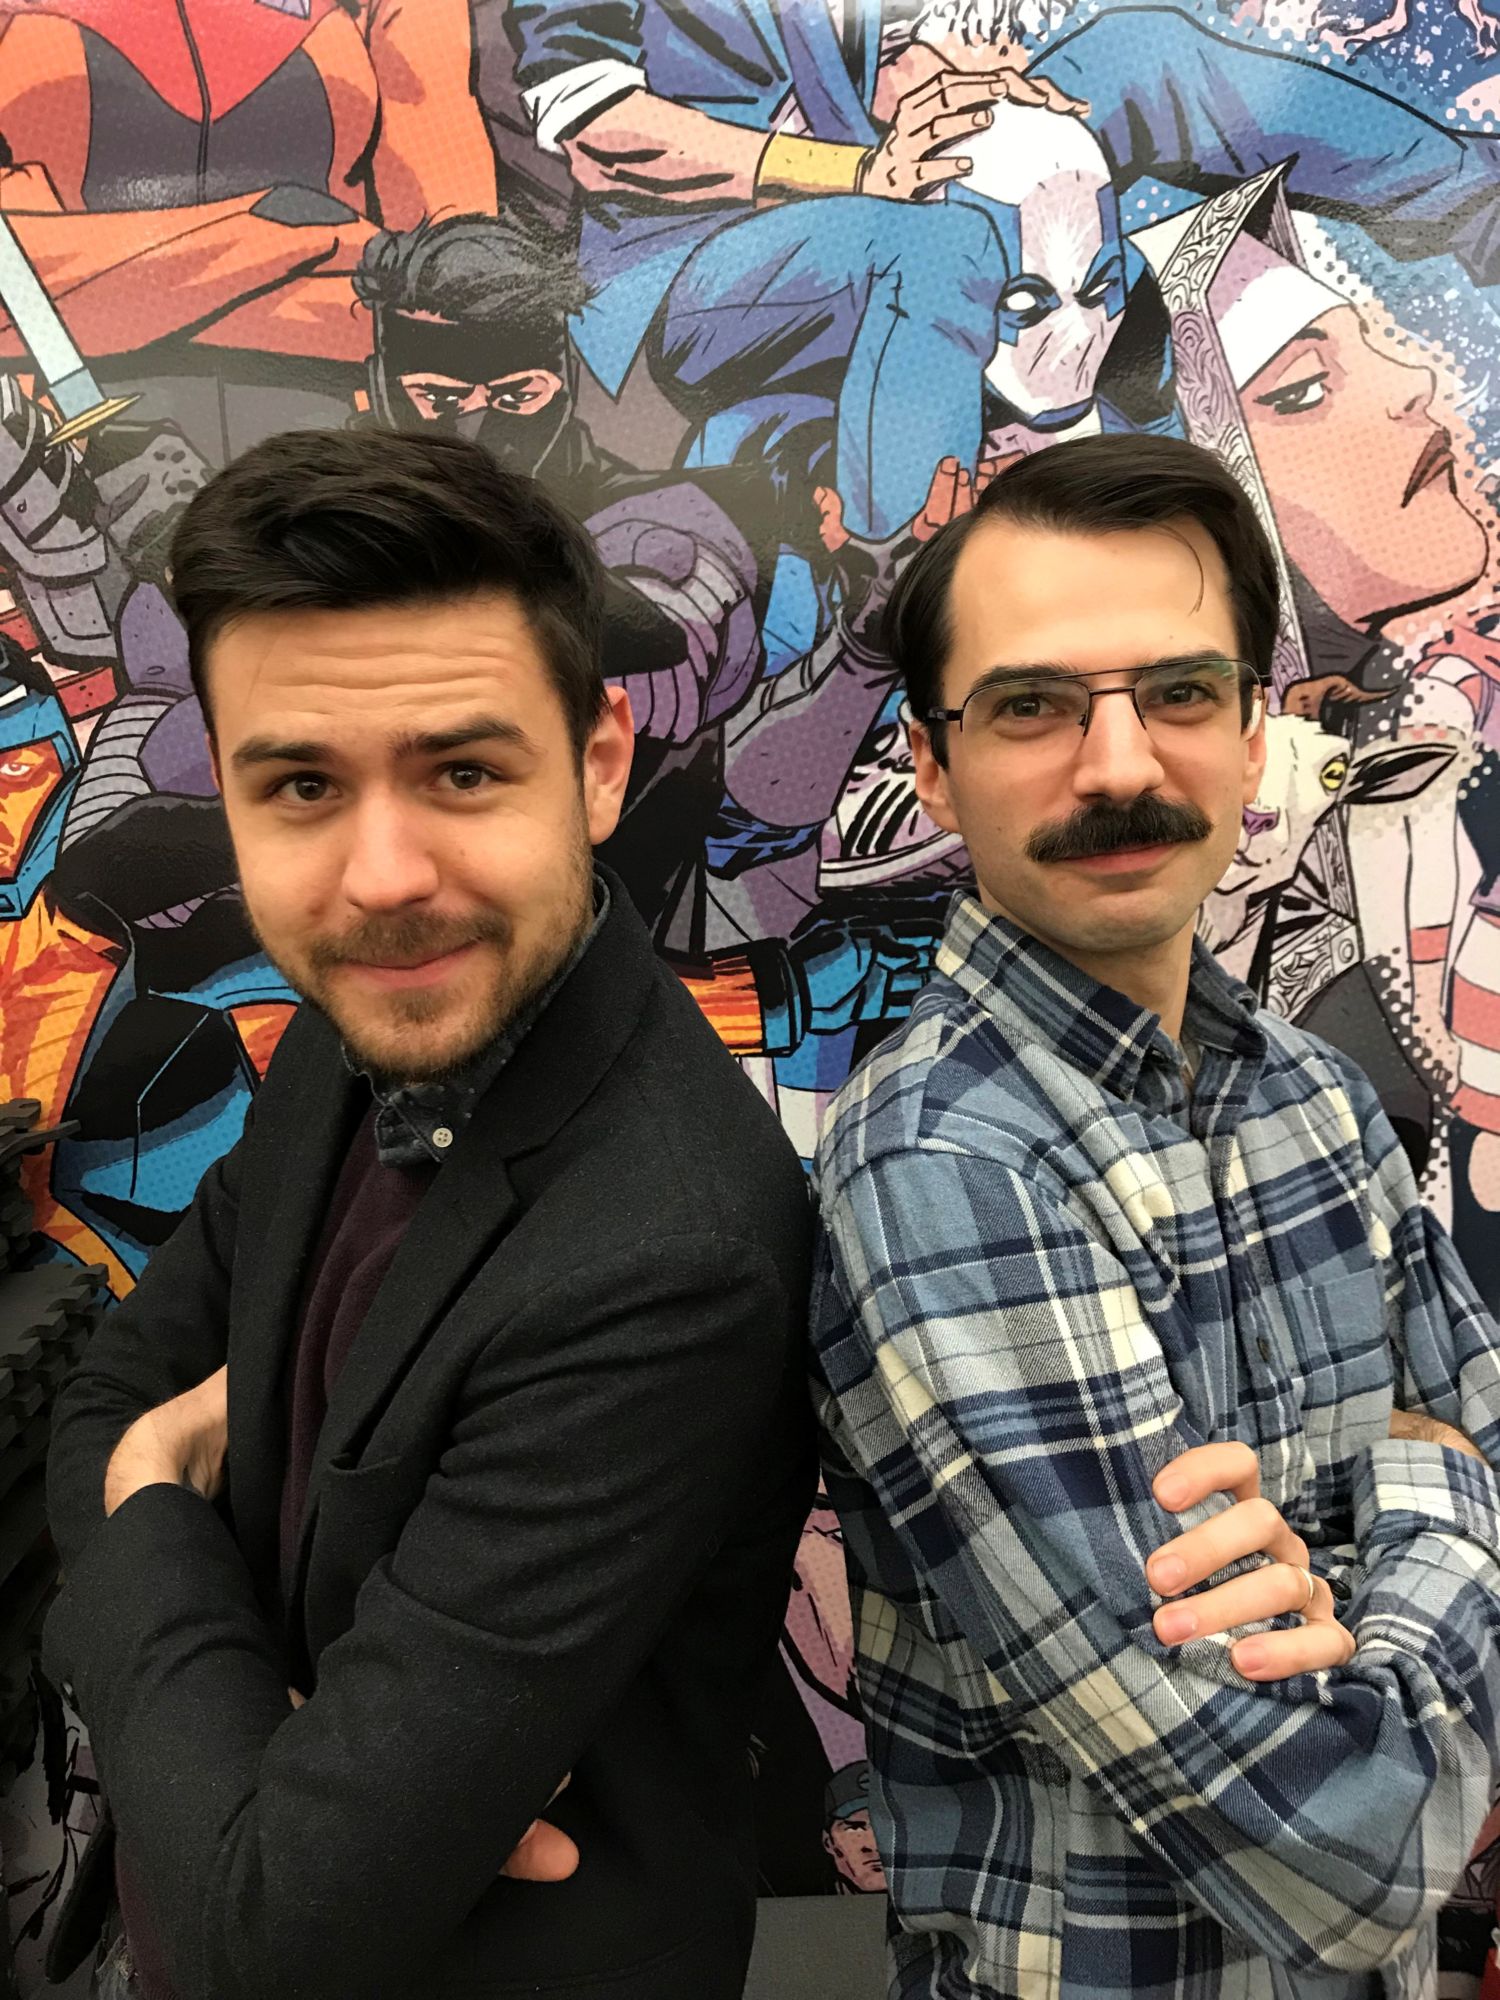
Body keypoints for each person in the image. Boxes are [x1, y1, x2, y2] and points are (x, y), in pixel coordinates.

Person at [41, 427, 817, 2000]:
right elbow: (105, 1401)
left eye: (463, 772)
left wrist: (145, 1505)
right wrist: (255, 1752)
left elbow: (273, 1932)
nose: (383, 875)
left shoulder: (667, 1251)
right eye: (301, 786)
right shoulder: (371, 1022)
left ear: (599, 763)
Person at [811, 430, 1500, 1998]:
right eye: (1032, 706)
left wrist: (1362, 1574)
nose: (1120, 766)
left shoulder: (1316, 1097)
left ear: (1256, 735)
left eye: (1180, 693)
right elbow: (1346, 1851)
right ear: (933, 764)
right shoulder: (944, 1166)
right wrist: (1430, 1489)